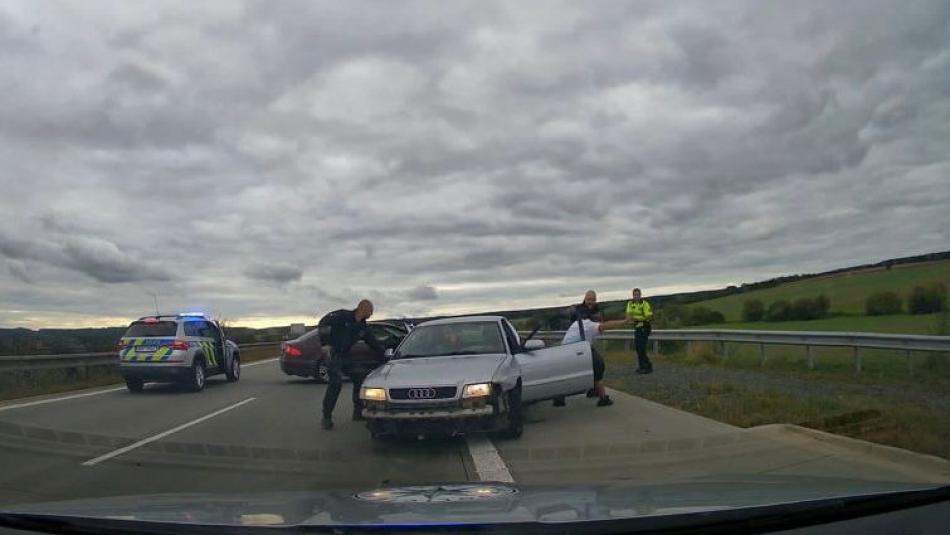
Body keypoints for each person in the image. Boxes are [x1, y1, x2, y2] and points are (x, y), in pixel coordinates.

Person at [317, 300, 383, 430]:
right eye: (370, 311)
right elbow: (323, 321)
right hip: (333, 354)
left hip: (345, 356)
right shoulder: (342, 316)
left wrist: (386, 355)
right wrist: (325, 343)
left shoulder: (363, 327)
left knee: (359, 377)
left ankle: (358, 412)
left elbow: (373, 343)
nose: (371, 313)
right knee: (335, 383)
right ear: (362, 308)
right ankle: (326, 417)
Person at [560, 316, 627, 407]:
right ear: (599, 322)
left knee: (569, 373)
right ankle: (603, 398)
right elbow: (607, 325)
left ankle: (561, 397)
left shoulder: (579, 323)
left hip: (566, 351)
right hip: (576, 350)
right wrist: (624, 321)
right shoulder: (592, 326)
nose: (602, 332)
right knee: (598, 367)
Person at [553, 290, 603, 407]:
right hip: (573, 344)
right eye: (589, 299)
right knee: (567, 370)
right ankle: (559, 397)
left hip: (585, 345)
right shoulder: (577, 309)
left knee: (598, 365)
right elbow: (564, 316)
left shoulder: (597, 311)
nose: (591, 302)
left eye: (593, 299)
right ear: (585, 299)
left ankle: (593, 389)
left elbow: (599, 325)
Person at [626, 288, 653, 374]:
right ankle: (642, 366)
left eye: (637, 295)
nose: (636, 296)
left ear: (640, 295)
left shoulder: (644, 304)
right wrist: (635, 319)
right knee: (638, 348)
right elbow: (628, 316)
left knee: (642, 348)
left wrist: (637, 319)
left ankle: (647, 366)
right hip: (637, 327)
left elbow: (648, 317)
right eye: (635, 295)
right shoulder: (630, 304)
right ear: (633, 295)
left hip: (645, 327)